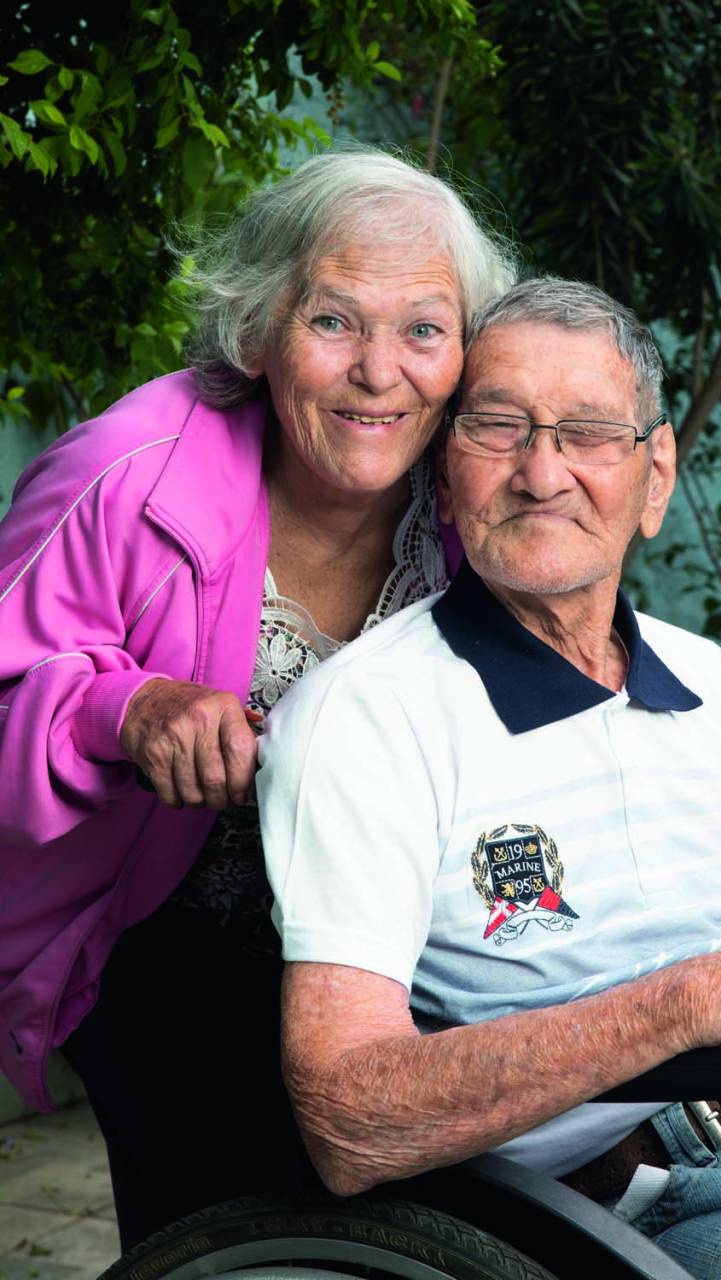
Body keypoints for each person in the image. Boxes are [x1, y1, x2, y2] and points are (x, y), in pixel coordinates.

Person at [258, 278, 721, 1280]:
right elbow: (349, 1116)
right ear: (444, 474)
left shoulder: (703, 676)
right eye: (498, 428)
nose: (542, 473)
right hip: (677, 1207)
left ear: (654, 475)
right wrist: (700, 995)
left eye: (588, 434)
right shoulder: (368, 713)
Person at [0, 145, 516, 1250]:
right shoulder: (125, 475)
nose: (380, 370)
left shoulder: (482, 494)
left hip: (408, 932)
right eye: (334, 321)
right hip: (166, 921)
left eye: (423, 328)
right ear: (259, 329)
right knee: (249, 1222)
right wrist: (122, 710)